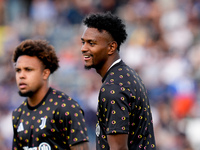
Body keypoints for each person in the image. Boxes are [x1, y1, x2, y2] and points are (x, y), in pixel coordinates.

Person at [81, 12, 156, 150]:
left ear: (111, 47)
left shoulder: (113, 88)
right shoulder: (128, 74)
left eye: (91, 43)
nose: (84, 48)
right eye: (83, 42)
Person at [12, 39, 89, 150]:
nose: (21, 75)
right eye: (18, 70)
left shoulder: (66, 108)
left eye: (28, 70)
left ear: (45, 73)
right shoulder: (18, 114)